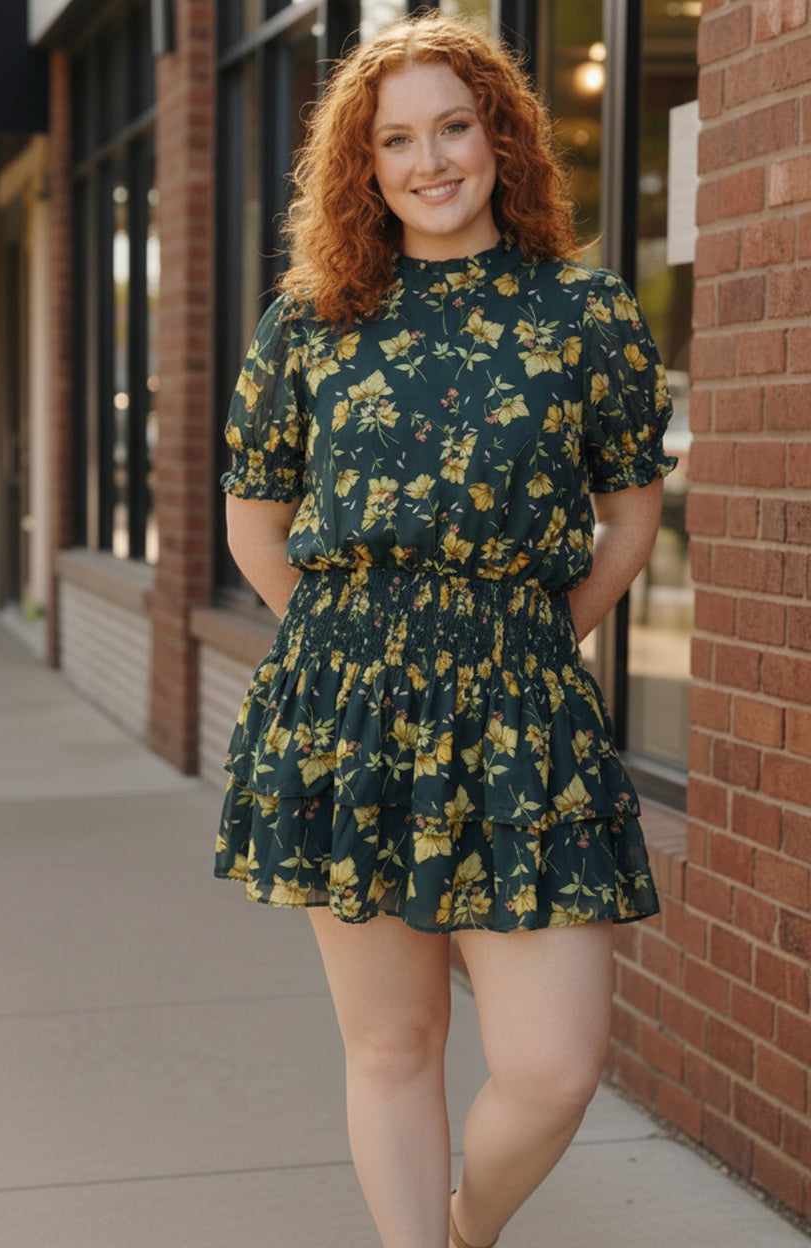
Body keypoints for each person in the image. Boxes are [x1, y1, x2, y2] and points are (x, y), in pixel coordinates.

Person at [214, 12, 675, 1248]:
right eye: (396, 140)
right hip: (351, 711)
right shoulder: (309, 324)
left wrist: (524, 636)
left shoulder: (585, 314)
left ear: (499, 137)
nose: (429, 162)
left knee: (553, 1064)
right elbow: (256, 526)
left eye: (453, 129)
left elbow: (631, 519)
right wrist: (348, 654)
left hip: (521, 711)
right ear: (361, 168)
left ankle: (464, 1228)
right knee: (394, 1039)